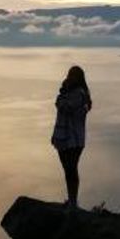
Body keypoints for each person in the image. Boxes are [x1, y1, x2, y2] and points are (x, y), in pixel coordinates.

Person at [50, 65, 92, 209]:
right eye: (69, 75)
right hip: (64, 138)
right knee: (68, 170)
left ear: (79, 78)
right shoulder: (69, 92)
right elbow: (60, 109)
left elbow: (65, 107)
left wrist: (61, 97)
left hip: (73, 139)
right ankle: (72, 200)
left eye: (73, 76)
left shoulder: (79, 94)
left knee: (71, 169)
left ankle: (73, 202)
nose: (70, 78)